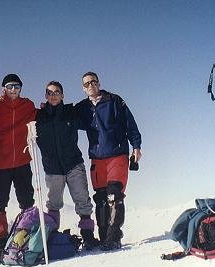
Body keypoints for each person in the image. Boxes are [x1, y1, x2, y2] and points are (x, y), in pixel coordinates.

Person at [76, 71, 142, 251]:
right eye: (87, 84)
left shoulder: (114, 101)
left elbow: (130, 124)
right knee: (101, 199)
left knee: (114, 195)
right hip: (97, 159)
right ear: (83, 88)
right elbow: (67, 118)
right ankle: (104, 236)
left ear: (98, 83)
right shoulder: (82, 108)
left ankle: (114, 237)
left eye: (93, 82)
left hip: (117, 155)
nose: (91, 85)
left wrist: (136, 146)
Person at [35, 81, 99, 250]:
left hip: (73, 164)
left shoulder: (72, 112)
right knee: (53, 203)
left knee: (82, 200)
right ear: (46, 96)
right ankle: (52, 238)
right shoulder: (39, 116)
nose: (53, 95)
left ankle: (88, 237)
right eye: (49, 93)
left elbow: (90, 112)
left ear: (62, 95)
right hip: (52, 167)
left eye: (57, 92)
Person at [0, 74, 36, 256]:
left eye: (17, 86)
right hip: (1, 163)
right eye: (10, 86)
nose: (14, 89)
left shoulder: (28, 105)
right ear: (3, 88)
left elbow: (39, 118)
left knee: (27, 202)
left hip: (22, 162)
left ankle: (25, 238)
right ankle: (1, 242)